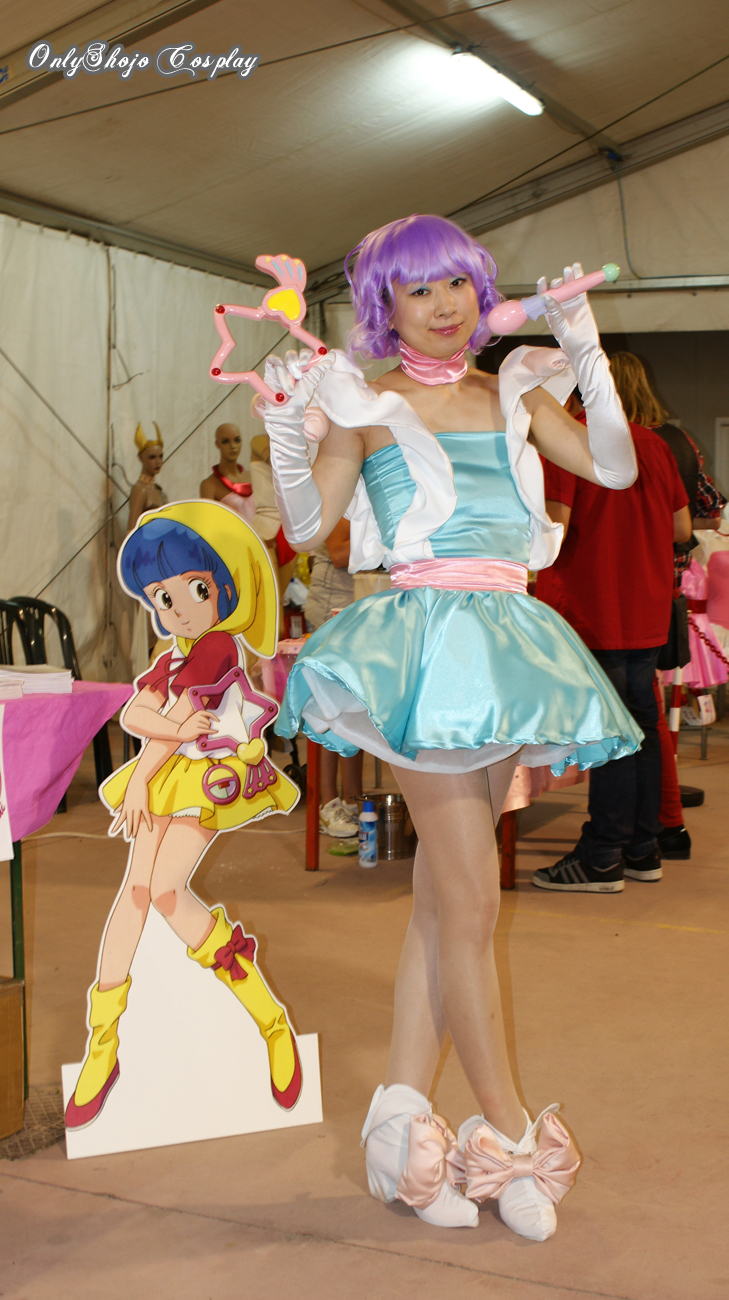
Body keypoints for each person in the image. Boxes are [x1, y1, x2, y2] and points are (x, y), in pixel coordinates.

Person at [257, 213, 643, 1240]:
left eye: (458, 284)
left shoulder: (511, 387)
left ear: (482, 289)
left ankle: (397, 1125)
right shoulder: (365, 401)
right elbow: (305, 527)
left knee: (441, 904)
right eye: (418, 289)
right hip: (421, 648)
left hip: (507, 643)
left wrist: (584, 344)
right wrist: (291, 432)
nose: (443, 305)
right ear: (385, 305)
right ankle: (504, 1134)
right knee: (470, 899)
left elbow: (614, 469)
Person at [65, 502, 301, 1131]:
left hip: (208, 780)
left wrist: (144, 772)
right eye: (162, 599)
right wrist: (163, 738)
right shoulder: (176, 654)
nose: (178, 610)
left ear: (221, 587)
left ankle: (271, 1023)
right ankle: (103, 1043)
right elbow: (139, 714)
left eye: (194, 590)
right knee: (137, 892)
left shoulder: (216, 644)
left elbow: (163, 721)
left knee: (165, 891)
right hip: (173, 772)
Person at [533, 355, 692, 892]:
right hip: (645, 607)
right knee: (640, 729)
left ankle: (602, 854)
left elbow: (553, 531)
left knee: (611, 734)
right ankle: (642, 849)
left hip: (593, 606)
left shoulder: (569, 440)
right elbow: (681, 528)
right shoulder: (655, 446)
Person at [305, 517, 363, 838]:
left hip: (361, 597)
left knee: (357, 704)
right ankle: (327, 803)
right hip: (334, 604)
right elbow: (340, 554)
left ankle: (353, 799)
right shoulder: (343, 493)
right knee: (327, 706)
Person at [200, 423, 257, 526]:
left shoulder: (254, 476)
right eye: (225, 442)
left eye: (237, 440)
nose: (233, 446)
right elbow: (208, 525)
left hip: (261, 535)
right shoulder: (209, 485)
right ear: (217, 444)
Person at [128, 423, 167, 531]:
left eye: (160, 456)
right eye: (152, 457)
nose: (158, 462)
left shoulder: (160, 492)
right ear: (141, 458)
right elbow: (131, 531)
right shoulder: (140, 489)